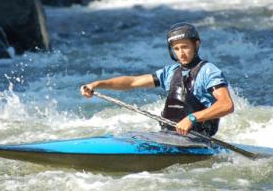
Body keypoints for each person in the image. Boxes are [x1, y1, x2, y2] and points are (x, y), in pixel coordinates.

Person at [81, 22, 234, 136]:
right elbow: (133, 82)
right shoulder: (170, 72)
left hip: (198, 140)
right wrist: (97, 84)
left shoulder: (209, 71)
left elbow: (227, 105)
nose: (181, 53)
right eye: (176, 49)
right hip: (169, 136)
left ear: (196, 45)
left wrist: (192, 118)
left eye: (185, 47)